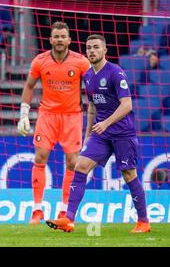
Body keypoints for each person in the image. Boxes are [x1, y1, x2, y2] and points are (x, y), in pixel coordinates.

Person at [46, 34, 151, 233]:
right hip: (100, 134)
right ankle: (68, 219)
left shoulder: (115, 73)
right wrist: (88, 135)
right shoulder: (87, 76)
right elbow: (92, 106)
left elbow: (127, 105)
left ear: (104, 51)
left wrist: (106, 123)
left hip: (122, 132)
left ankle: (143, 221)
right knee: (80, 165)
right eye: (88, 48)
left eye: (96, 47)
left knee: (129, 174)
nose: (92, 51)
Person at [17, 21, 91, 224]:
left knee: (72, 162)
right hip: (47, 115)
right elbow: (29, 86)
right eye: (56, 36)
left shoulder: (81, 62)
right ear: (50, 39)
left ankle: (64, 211)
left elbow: (93, 85)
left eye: (62, 37)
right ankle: (37, 210)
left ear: (69, 40)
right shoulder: (40, 61)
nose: (59, 40)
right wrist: (24, 113)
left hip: (72, 116)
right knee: (40, 158)